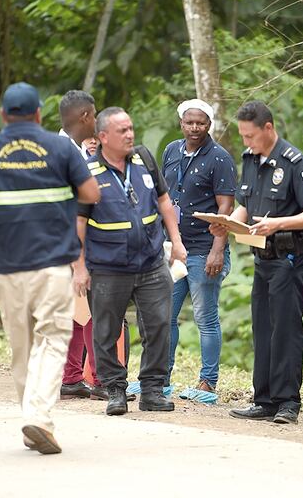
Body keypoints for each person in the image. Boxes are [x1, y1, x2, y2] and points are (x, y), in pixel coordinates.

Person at [0, 82, 100, 455]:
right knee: (53, 338)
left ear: (3, 115)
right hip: (51, 265)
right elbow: (92, 194)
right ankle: (38, 417)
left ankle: (32, 416)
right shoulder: (60, 148)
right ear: (39, 115)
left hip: (5, 266)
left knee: (21, 346)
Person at [212, 101, 303, 425]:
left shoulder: (295, 163)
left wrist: (279, 224)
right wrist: (228, 222)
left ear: (268, 129)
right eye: (243, 136)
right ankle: (264, 399)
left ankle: (288, 402)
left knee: (286, 331)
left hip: (291, 259)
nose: (247, 143)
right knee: (263, 330)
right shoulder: (250, 160)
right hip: (262, 258)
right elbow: (245, 205)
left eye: (251, 136)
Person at [75, 107, 187, 416]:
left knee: (160, 325)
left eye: (131, 128)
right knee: (106, 330)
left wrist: (176, 242)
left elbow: (164, 201)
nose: (130, 135)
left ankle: (152, 390)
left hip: (151, 262)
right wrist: (80, 266)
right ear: (103, 137)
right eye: (122, 130)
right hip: (109, 268)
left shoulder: (144, 159)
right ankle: (114, 390)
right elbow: (79, 224)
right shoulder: (88, 174)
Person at [161, 98, 238, 398]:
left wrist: (218, 250)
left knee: (205, 317)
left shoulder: (219, 158)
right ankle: (161, 378)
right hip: (174, 248)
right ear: (181, 122)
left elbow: (226, 206)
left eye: (201, 122)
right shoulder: (171, 150)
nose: (195, 127)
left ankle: (208, 382)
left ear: (210, 124)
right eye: (190, 122)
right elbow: (165, 196)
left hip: (204, 249)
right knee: (165, 314)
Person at [55, 90, 106, 401]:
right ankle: (101, 379)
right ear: (85, 117)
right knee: (91, 310)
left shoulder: (73, 149)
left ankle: (72, 376)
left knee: (78, 310)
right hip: (68, 242)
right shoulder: (64, 152)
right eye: (95, 113)